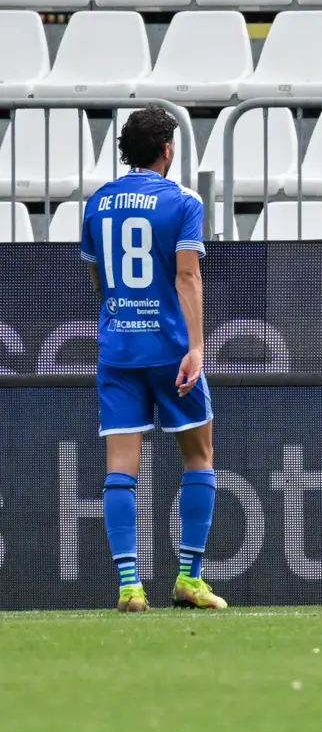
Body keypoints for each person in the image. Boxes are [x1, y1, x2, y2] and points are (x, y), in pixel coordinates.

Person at [80, 106, 225, 612]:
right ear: (168, 149)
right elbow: (188, 277)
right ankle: (189, 577)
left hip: (119, 348)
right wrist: (197, 346)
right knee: (199, 457)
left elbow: (99, 279)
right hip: (169, 349)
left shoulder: (97, 203)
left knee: (120, 469)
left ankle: (129, 585)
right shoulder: (182, 201)